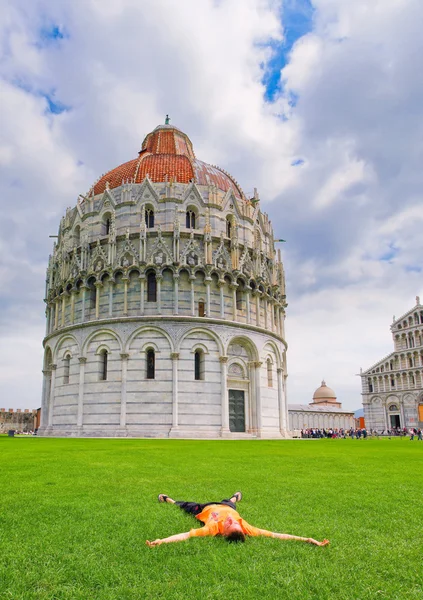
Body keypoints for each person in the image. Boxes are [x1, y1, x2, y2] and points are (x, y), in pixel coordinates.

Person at [146, 492, 329, 547]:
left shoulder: (212, 528)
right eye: (235, 524)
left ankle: (167, 499)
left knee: (183, 505)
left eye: (230, 524)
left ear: (224, 532)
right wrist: (307, 539)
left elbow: (186, 535)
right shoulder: (245, 527)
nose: (232, 522)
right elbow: (276, 535)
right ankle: (236, 496)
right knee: (232, 502)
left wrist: (162, 541)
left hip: (205, 507)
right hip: (227, 506)